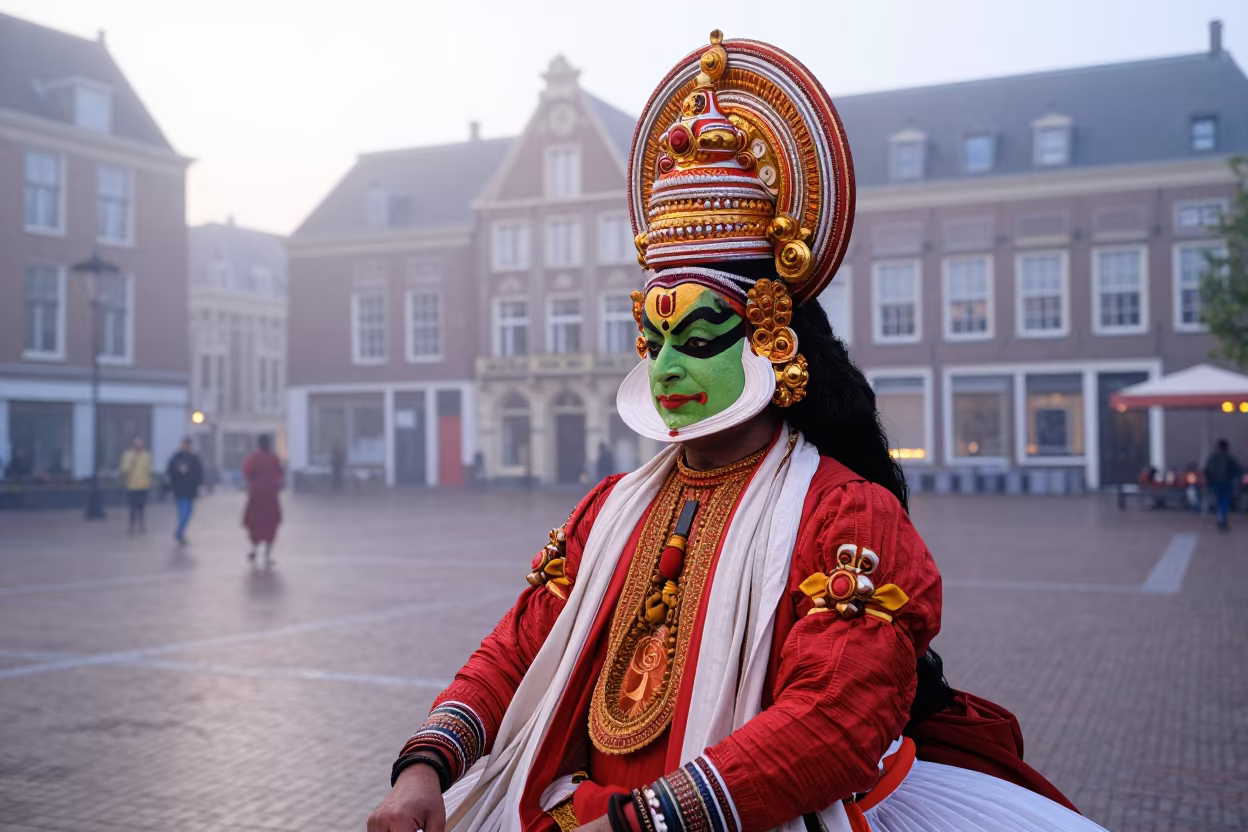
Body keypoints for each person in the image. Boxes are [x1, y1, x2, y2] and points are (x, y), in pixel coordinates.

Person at [368, 31, 1105, 832]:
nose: (666, 369)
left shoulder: (847, 516)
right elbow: (516, 650)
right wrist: (423, 769)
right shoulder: (606, 511)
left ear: (771, 336)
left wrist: (644, 822)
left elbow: (833, 719)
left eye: (699, 336)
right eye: (652, 340)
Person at [242, 434, 283, 565]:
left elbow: (247, 473)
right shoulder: (274, 459)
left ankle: (254, 549)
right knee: (270, 524)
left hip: (256, 496)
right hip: (271, 496)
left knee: (255, 523)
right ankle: (267, 554)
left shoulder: (253, 459)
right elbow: (279, 474)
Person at [166, 437, 205, 544]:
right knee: (183, 512)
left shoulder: (194, 458)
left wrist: (199, 485)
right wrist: (178, 470)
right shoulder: (176, 458)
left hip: (191, 490)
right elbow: (169, 471)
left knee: (189, 512)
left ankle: (180, 531)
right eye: (184, 444)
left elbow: (199, 473)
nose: (186, 446)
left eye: (188, 444)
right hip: (179, 489)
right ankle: (180, 532)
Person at [1204, 438, 1243, 531]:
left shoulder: (1213, 457)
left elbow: (1207, 470)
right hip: (1226, 483)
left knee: (1219, 501)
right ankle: (1222, 519)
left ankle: (1220, 518)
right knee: (1224, 502)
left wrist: (1209, 482)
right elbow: (1237, 470)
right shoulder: (1229, 458)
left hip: (1215, 483)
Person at [119, 436, 152, 534]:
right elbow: (124, 470)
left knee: (141, 507)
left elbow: (149, 469)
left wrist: (149, 481)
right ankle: (131, 526)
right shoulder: (128, 455)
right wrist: (131, 462)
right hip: (132, 485)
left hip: (143, 485)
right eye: (136, 445)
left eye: (140, 445)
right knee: (132, 507)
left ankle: (142, 525)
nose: (138, 447)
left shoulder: (146, 455)